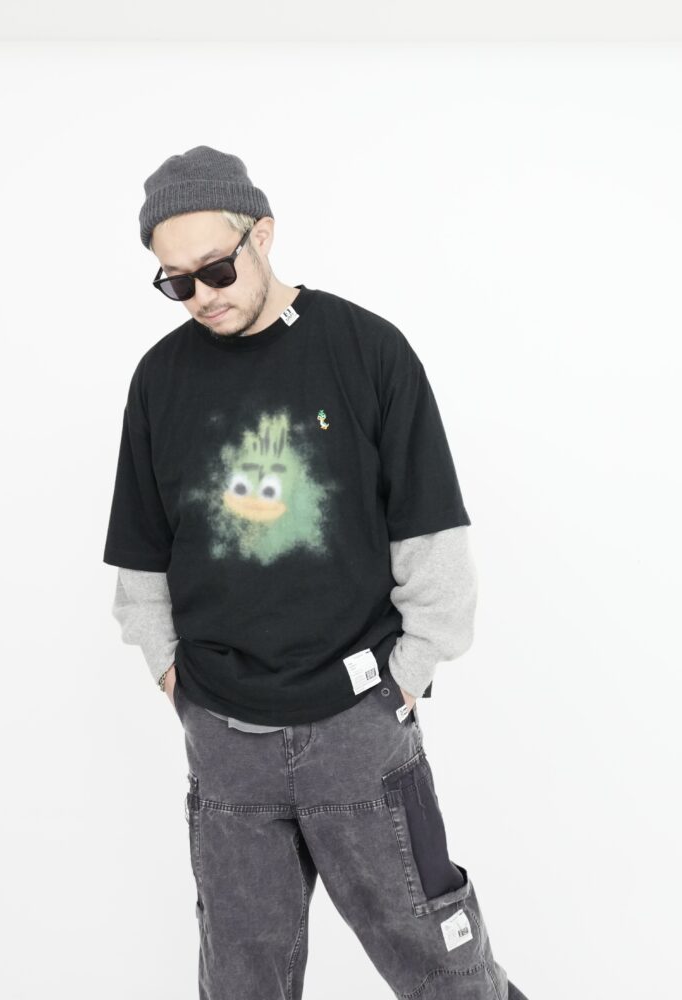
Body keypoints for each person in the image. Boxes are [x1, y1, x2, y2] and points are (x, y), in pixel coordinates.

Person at [103, 144, 530, 999]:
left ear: (261, 235)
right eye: (176, 283)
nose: (202, 296)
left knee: (443, 967)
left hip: (357, 729)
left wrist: (408, 674)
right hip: (225, 740)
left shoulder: (366, 350)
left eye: (215, 269)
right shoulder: (160, 380)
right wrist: (173, 675)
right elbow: (141, 556)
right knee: (241, 981)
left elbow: (431, 533)